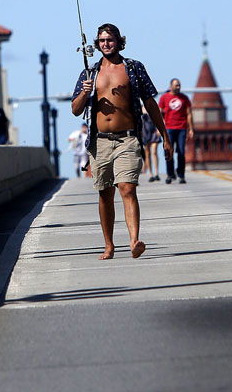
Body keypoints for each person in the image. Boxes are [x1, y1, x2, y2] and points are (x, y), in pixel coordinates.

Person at [71, 23, 171, 260]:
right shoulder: (90, 73)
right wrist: (86, 93)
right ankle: (109, 245)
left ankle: (134, 240)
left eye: (110, 39)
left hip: (127, 138)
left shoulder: (133, 68)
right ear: (97, 44)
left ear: (119, 41)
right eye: (102, 40)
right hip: (100, 142)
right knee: (105, 194)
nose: (106, 44)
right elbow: (75, 110)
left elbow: (150, 103)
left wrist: (164, 135)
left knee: (127, 187)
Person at [158, 78, 194, 184]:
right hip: (169, 128)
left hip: (182, 128)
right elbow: (159, 113)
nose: (178, 87)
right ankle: (170, 174)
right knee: (169, 151)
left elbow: (189, 114)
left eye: (179, 85)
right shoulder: (164, 97)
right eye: (176, 85)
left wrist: (191, 128)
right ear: (171, 86)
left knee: (181, 152)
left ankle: (181, 175)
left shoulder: (184, 98)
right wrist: (159, 128)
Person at [140, 110, 162, 182]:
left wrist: (159, 129)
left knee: (154, 152)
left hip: (154, 132)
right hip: (145, 134)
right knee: (147, 154)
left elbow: (159, 117)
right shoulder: (140, 107)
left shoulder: (151, 105)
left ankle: (156, 173)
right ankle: (150, 174)